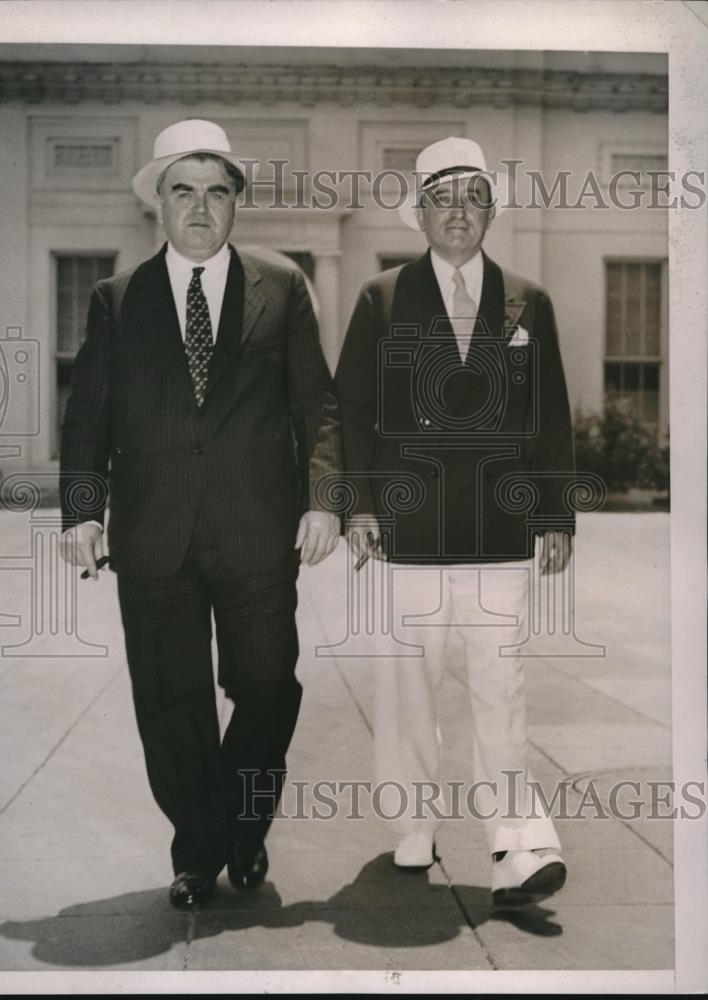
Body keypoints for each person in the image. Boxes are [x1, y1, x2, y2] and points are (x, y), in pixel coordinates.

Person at [59, 119, 342, 910]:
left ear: (236, 206)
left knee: (266, 685)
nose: (200, 206)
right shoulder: (119, 300)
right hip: (154, 536)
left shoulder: (281, 286)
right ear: (158, 202)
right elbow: (89, 417)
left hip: (257, 530)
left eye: (218, 191)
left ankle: (242, 825)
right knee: (170, 698)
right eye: (183, 190)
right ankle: (199, 850)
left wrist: (325, 498)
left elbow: (317, 406)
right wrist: (83, 511)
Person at [334, 137, 575, 905]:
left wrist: (555, 512)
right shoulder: (381, 297)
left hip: (499, 529)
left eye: (474, 197)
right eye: (444, 198)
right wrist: (361, 505)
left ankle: (517, 844)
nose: (459, 213)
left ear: (492, 211)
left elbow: (551, 413)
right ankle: (413, 822)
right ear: (422, 214)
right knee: (411, 683)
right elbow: (352, 412)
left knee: (501, 687)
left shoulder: (527, 299)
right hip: (411, 529)